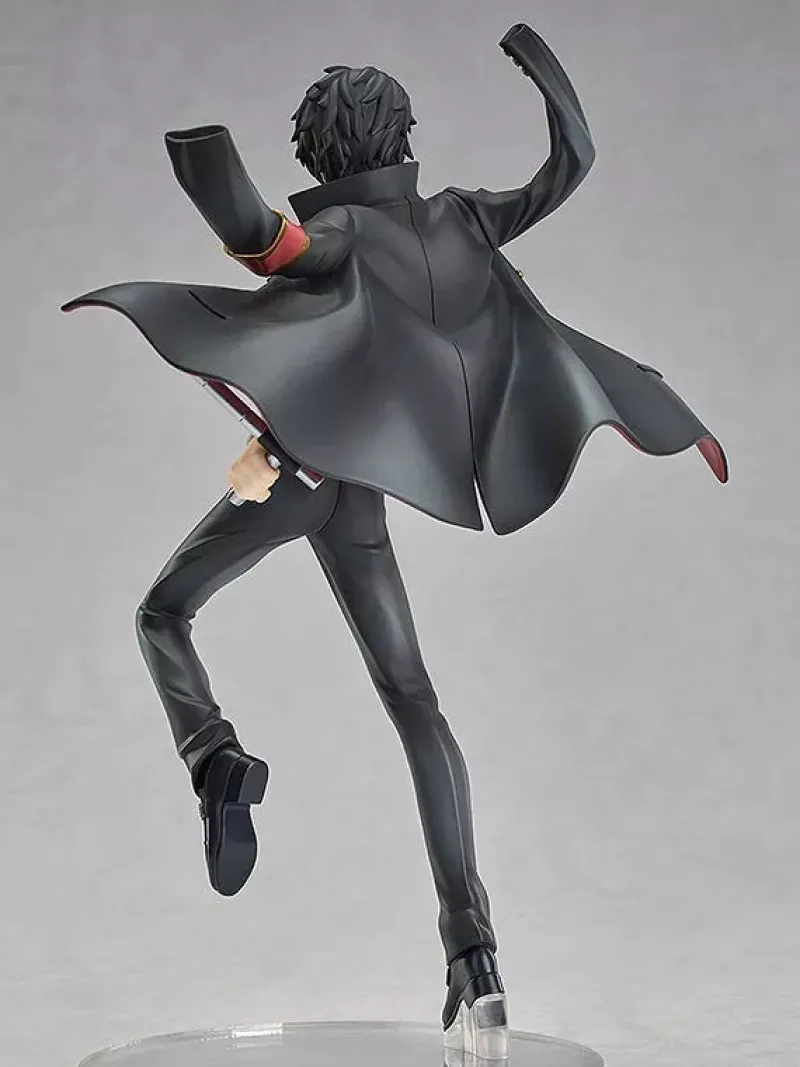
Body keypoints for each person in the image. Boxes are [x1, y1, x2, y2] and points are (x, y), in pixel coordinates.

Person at [63, 22, 727, 1058]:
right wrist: (540, 68)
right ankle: (476, 955)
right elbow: (571, 164)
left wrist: (205, 160)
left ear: (320, 149)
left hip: (299, 476)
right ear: (401, 136)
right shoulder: (462, 218)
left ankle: (215, 758)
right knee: (415, 702)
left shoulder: (334, 235)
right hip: (363, 495)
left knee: (163, 611)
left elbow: (261, 236)